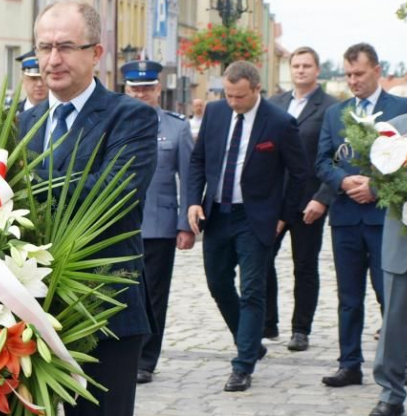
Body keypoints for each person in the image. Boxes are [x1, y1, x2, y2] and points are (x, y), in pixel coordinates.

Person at [12, 1, 157, 416]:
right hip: (18, 320)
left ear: (96, 53)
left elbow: (111, 195)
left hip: (105, 319)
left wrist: (14, 190)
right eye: (43, 47)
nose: (52, 59)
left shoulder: (131, 118)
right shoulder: (18, 125)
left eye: (64, 47)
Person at [186, 61, 307, 393]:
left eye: (239, 96)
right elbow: (198, 160)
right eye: (228, 95)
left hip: (256, 218)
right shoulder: (214, 113)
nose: (233, 102)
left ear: (256, 89)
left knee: (253, 290)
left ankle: (243, 365)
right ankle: (250, 341)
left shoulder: (280, 123)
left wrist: (284, 215)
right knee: (217, 283)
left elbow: (299, 173)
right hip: (217, 214)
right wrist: (194, 201)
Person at [316, 43, 407, 392]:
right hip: (345, 216)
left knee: (391, 295)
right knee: (348, 296)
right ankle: (349, 364)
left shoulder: (402, 108)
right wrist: (342, 180)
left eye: (359, 73)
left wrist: (376, 185)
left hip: (384, 218)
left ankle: (398, 362)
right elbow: (323, 160)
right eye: (347, 75)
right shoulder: (336, 112)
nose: (353, 80)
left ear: (376, 69)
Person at [120, 59, 194, 384]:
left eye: (147, 89)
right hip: (119, 222)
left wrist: (185, 223)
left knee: (154, 295)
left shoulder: (176, 127)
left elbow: (189, 179)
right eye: (135, 89)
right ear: (126, 90)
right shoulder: (114, 124)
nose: (141, 95)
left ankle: (146, 360)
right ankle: (122, 353)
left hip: (159, 224)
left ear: (158, 90)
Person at [264, 47, 338, 350]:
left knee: (304, 265)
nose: (301, 70)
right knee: (262, 260)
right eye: (296, 65)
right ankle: (267, 323)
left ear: (317, 70)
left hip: (309, 201)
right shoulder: (275, 103)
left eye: (307, 65)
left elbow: (336, 157)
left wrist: (323, 197)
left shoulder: (332, 108)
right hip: (275, 201)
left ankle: (301, 329)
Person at [370, 109, 407, 416]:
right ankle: (390, 394)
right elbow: (376, 184)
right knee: (394, 317)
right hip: (403, 235)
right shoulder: (397, 128)